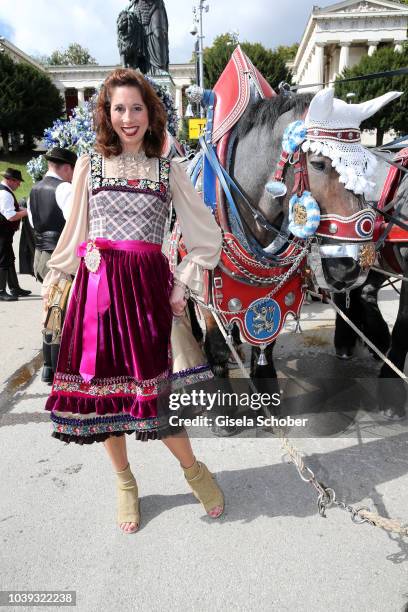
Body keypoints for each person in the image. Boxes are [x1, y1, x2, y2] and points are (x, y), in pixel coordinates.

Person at [42, 68, 224, 534]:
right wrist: (59, 275)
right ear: (107, 113)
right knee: (107, 400)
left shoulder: (169, 169)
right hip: (97, 291)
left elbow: (205, 234)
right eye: (119, 108)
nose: (128, 118)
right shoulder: (89, 165)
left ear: (150, 113)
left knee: (155, 395)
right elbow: (76, 231)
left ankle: (194, 471)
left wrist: (183, 280)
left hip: (146, 294)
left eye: (137, 108)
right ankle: (125, 483)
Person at [28, 147, 77, 283]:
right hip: (58, 257)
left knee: (49, 300)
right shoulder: (65, 188)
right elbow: (73, 225)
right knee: (62, 301)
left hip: (39, 256)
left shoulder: (34, 188)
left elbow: (32, 222)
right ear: (67, 168)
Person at [0, 168, 30, 301]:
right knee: (3, 260)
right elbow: (11, 216)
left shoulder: (5, 191)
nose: (19, 185)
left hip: (5, 233)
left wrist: (22, 209)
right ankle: (1, 291)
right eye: (18, 182)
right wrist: (27, 212)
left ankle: (14, 287)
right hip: (2, 233)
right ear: (10, 180)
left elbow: (12, 209)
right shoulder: (4, 193)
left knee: (9, 259)